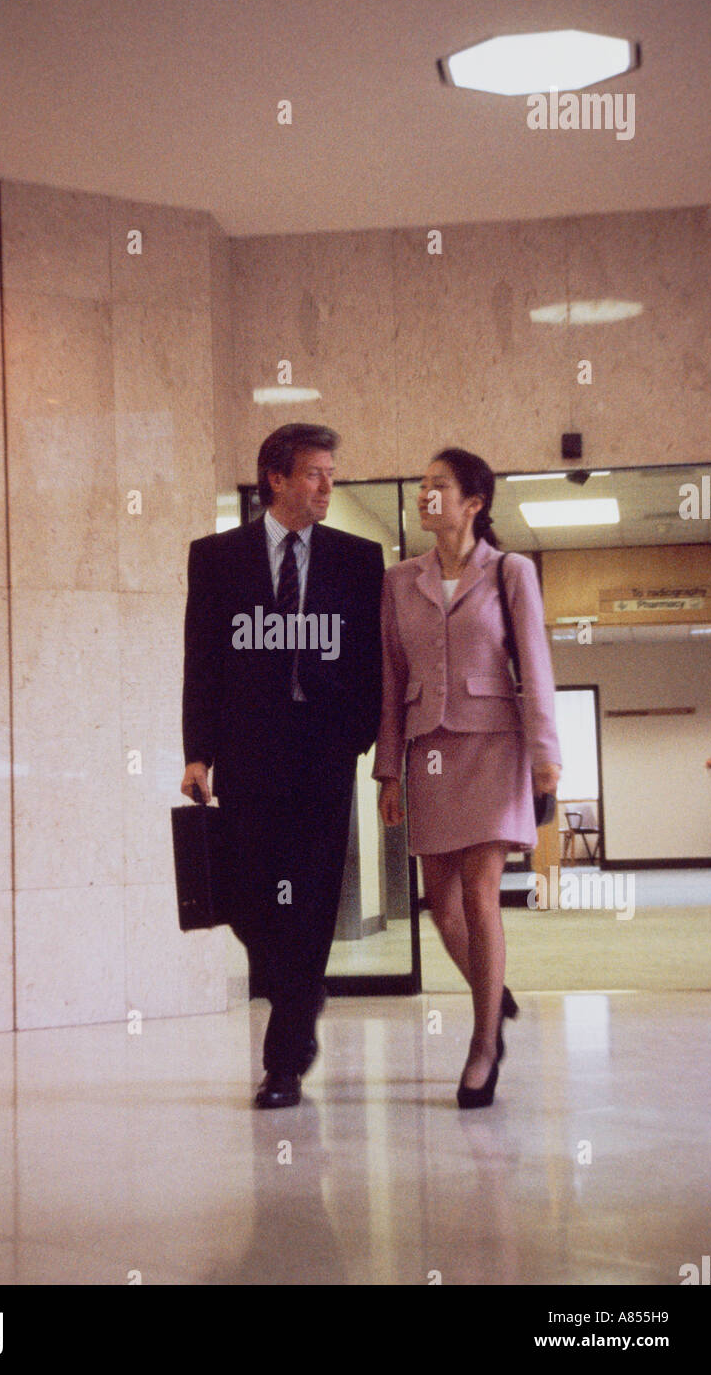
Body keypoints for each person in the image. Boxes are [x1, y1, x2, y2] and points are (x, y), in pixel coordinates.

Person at [181, 423, 384, 1109]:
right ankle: (301, 990)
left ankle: (282, 1062)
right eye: (313, 474)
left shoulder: (358, 559)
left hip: (322, 755)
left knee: (314, 898)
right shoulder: (216, 558)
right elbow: (202, 661)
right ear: (276, 479)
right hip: (247, 753)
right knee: (251, 899)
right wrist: (196, 753)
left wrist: (357, 737)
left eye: (330, 473)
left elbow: (368, 662)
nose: (326, 486)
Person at [373, 448, 561, 1109]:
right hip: (427, 749)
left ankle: (484, 1045)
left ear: (473, 502)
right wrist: (386, 771)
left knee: (480, 896)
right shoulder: (399, 580)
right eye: (421, 485)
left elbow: (534, 663)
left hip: (492, 745)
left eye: (438, 486)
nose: (426, 495)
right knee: (441, 904)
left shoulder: (510, 571)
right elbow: (391, 682)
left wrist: (545, 751)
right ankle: (493, 992)